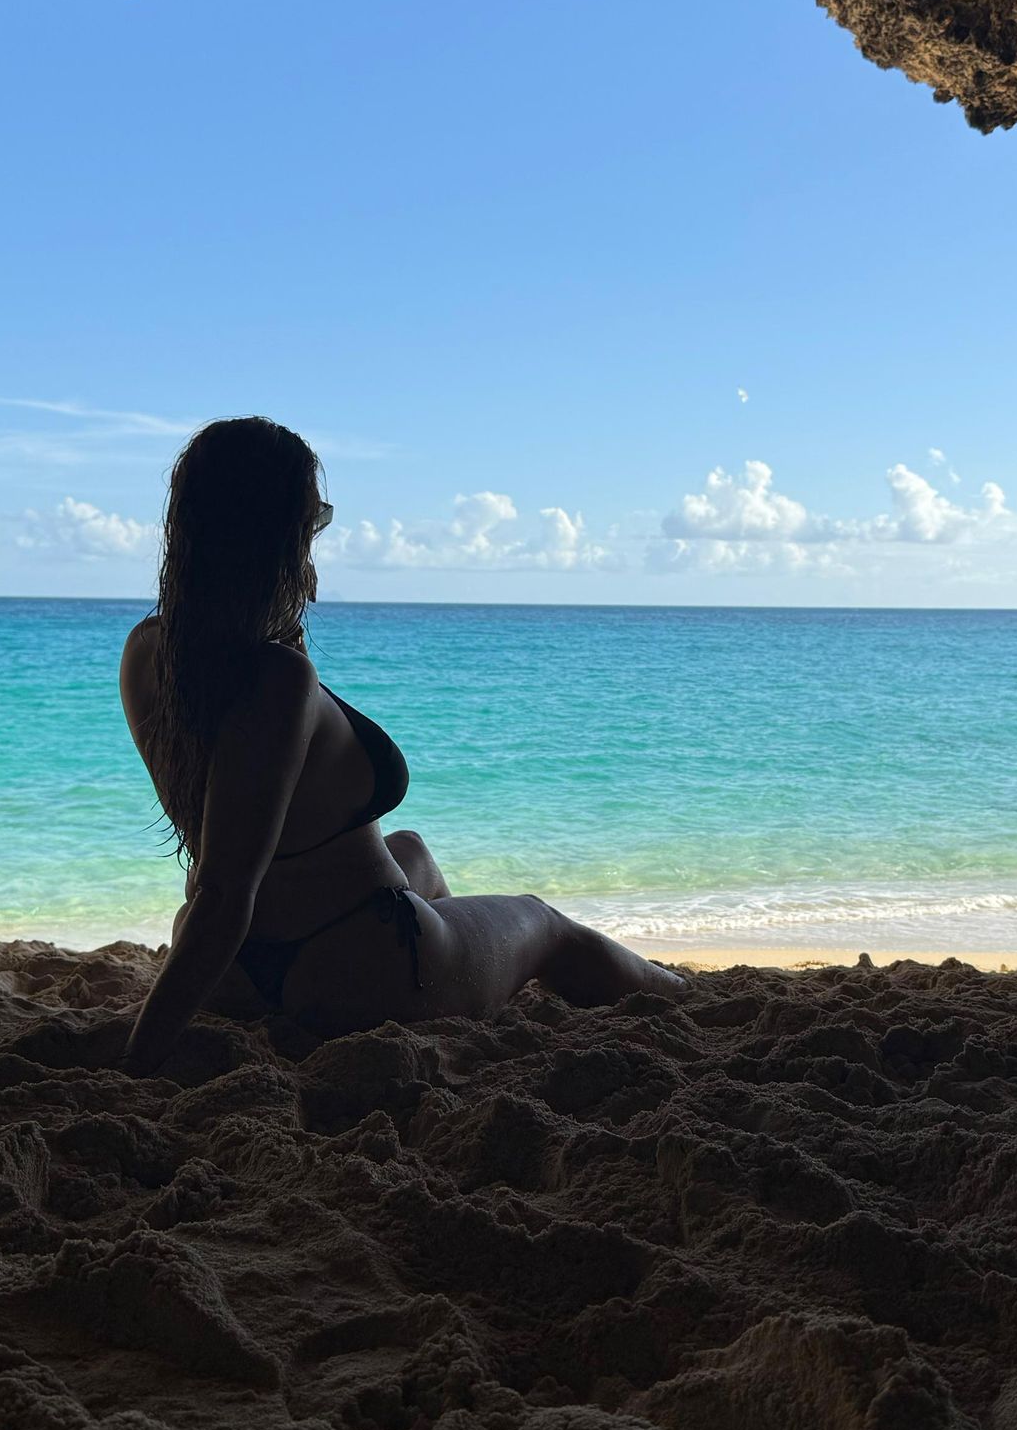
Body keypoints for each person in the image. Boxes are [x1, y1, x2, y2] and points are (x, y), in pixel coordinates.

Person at [119, 417, 687, 1073]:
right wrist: (139, 1062)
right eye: (313, 521)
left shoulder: (150, 652)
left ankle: (450, 969)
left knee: (411, 849)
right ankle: (686, 996)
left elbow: (232, 841)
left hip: (239, 974)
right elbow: (227, 889)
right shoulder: (277, 680)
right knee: (543, 922)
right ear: (281, 535)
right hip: (348, 967)